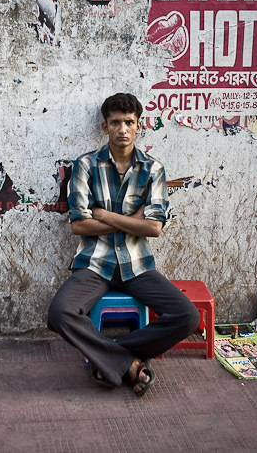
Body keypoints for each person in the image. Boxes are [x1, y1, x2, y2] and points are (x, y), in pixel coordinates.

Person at [47, 93, 199, 396]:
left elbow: (154, 228)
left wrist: (104, 215)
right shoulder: (86, 165)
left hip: (137, 265)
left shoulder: (153, 169)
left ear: (139, 126)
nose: (122, 129)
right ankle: (128, 363)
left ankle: (109, 358)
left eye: (129, 122)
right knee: (59, 313)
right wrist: (132, 219)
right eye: (115, 122)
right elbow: (79, 225)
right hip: (94, 264)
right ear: (105, 127)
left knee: (188, 317)